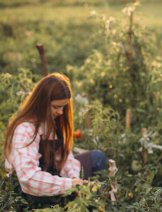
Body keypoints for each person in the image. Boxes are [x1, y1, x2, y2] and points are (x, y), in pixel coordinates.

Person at [3, 73, 107, 204]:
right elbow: (28, 179)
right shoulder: (25, 129)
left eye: (63, 106)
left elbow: (64, 158)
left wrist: (75, 179)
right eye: (56, 107)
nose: (61, 112)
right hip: (31, 193)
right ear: (42, 103)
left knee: (97, 157)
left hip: (53, 176)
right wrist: (69, 185)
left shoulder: (51, 123)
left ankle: (100, 202)